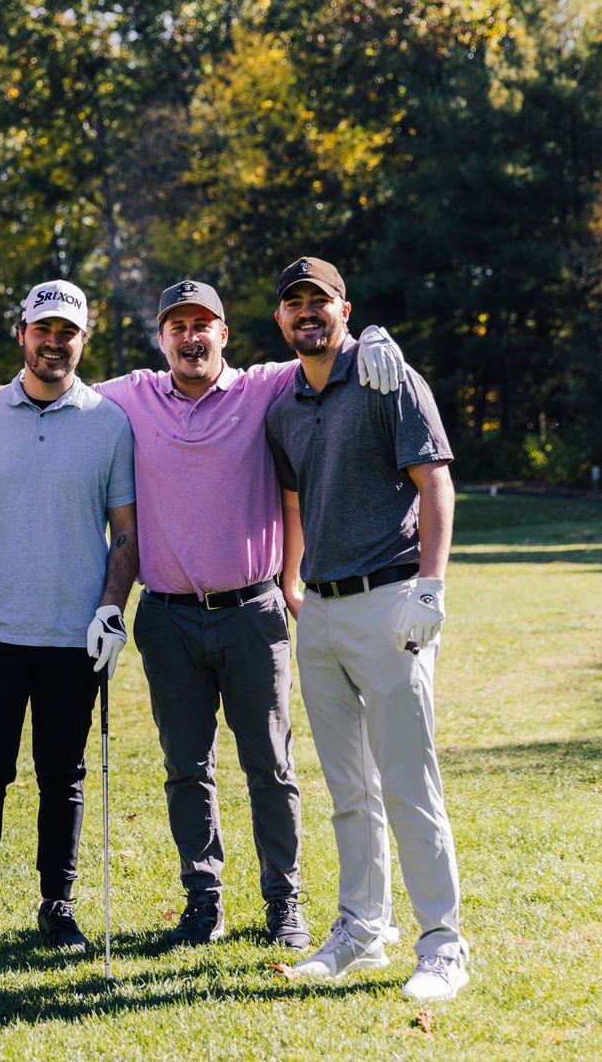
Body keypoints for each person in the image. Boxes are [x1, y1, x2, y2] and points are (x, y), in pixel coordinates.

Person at [91, 280, 404, 949]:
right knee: (185, 766)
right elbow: (50, 391)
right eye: (177, 326)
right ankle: (202, 901)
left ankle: (283, 903)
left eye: (202, 324)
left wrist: (374, 337)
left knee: (270, 766)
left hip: (252, 614)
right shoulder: (131, 395)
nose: (191, 337)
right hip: (167, 618)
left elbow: (327, 351)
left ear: (224, 334)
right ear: (161, 338)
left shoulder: (264, 386)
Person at [263, 256, 468, 1002]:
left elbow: (435, 479)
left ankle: (442, 944)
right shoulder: (284, 404)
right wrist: (292, 580)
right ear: (280, 319)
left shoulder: (389, 378)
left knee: (409, 782)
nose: (307, 312)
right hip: (318, 612)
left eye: (319, 301)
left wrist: (431, 585)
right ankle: (362, 929)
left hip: (390, 600)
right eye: (294, 303)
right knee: (349, 787)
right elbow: (293, 498)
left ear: (344, 311)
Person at [0, 279, 139, 963]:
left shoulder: (109, 422)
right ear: (21, 333)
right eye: (42, 329)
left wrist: (112, 608)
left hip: (76, 636)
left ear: (84, 338)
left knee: (63, 775)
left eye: (67, 332)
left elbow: (126, 531)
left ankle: (58, 904)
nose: (54, 342)